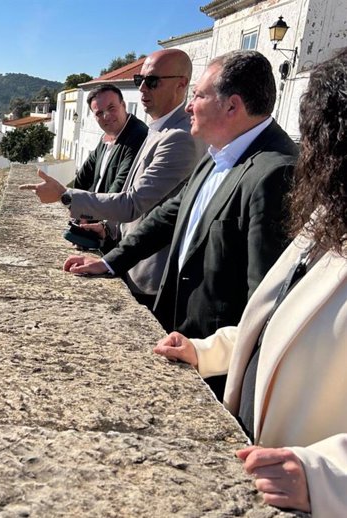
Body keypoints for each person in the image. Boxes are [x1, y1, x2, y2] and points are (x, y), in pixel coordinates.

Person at [153, 48, 347, 515]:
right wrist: (207, 350)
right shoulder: (329, 217)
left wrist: (328, 475)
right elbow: (282, 319)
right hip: (254, 456)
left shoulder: (277, 173)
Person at [65, 50, 296, 360]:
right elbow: (169, 215)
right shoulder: (221, 150)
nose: (188, 106)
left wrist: (210, 354)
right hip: (179, 329)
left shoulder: (277, 171)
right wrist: (110, 263)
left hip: (211, 358)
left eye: (198, 96)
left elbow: (267, 298)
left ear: (232, 106)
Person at [22, 49, 204, 308]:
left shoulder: (179, 137)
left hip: (151, 272)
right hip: (132, 259)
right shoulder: (157, 129)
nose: (143, 89)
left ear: (181, 84)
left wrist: (65, 196)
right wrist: (109, 228)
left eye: (152, 81)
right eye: (139, 80)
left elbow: (133, 203)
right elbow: (145, 199)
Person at [72, 84, 148, 194]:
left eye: (111, 108)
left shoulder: (138, 136)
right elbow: (83, 176)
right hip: (97, 207)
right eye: (99, 113)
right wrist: (74, 201)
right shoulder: (106, 136)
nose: (106, 116)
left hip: (111, 209)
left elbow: (119, 190)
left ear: (123, 105)